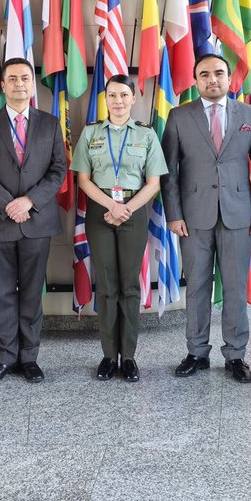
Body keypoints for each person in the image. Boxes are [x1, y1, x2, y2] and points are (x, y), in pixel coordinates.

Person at [162, 53, 251, 383]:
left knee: (236, 287)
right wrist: (174, 214)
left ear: (229, 78)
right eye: (205, 74)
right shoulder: (179, 116)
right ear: (196, 80)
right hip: (193, 217)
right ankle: (196, 352)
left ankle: (236, 355)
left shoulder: (249, 114)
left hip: (240, 215)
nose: (213, 79)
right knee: (197, 286)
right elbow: (169, 172)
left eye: (219, 73)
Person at [0, 58, 67, 384]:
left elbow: (58, 171)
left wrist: (29, 201)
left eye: (25, 77)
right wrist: (8, 204)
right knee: (2, 293)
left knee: (30, 293)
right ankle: (5, 357)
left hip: (37, 221)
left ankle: (29, 358)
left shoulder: (51, 124)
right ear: (3, 85)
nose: (19, 84)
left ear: (32, 83)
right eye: (12, 78)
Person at [73, 75, 167, 382]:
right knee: (108, 284)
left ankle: (128, 357)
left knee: (128, 285)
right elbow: (83, 179)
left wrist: (126, 208)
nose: (117, 101)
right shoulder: (91, 134)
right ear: (105, 98)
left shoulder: (146, 135)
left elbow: (153, 182)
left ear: (134, 98)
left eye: (124, 95)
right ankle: (107, 355)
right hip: (101, 210)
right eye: (112, 95)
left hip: (134, 210)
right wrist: (111, 206)